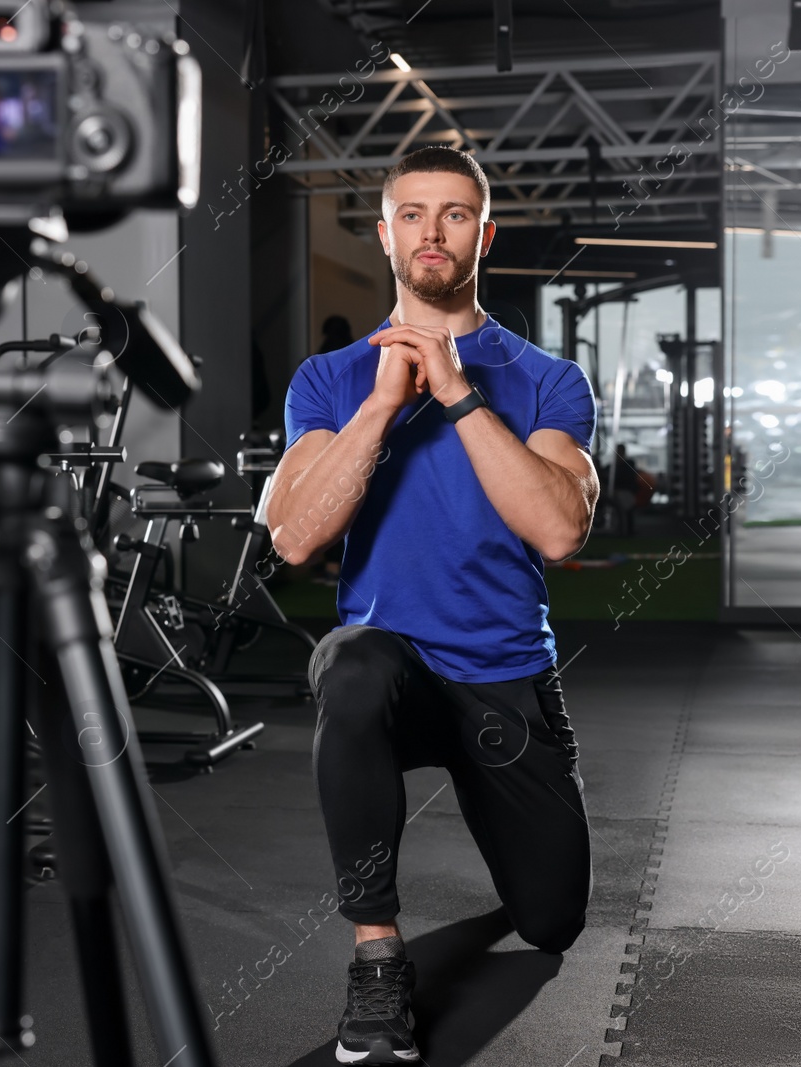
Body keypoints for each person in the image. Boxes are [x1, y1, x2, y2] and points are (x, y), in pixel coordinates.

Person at [265, 145, 598, 1065]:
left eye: (453, 215)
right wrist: (380, 407)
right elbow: (294, 537)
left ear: (483, 234)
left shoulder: (546, 379)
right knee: (355, 665)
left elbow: (560, 530)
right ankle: (378, 957)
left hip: (502, 681)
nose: (432, 233)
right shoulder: (328, 380)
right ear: (385, 234)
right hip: (396, 676)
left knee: (550, 923)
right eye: (412, 214)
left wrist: (454, 392)